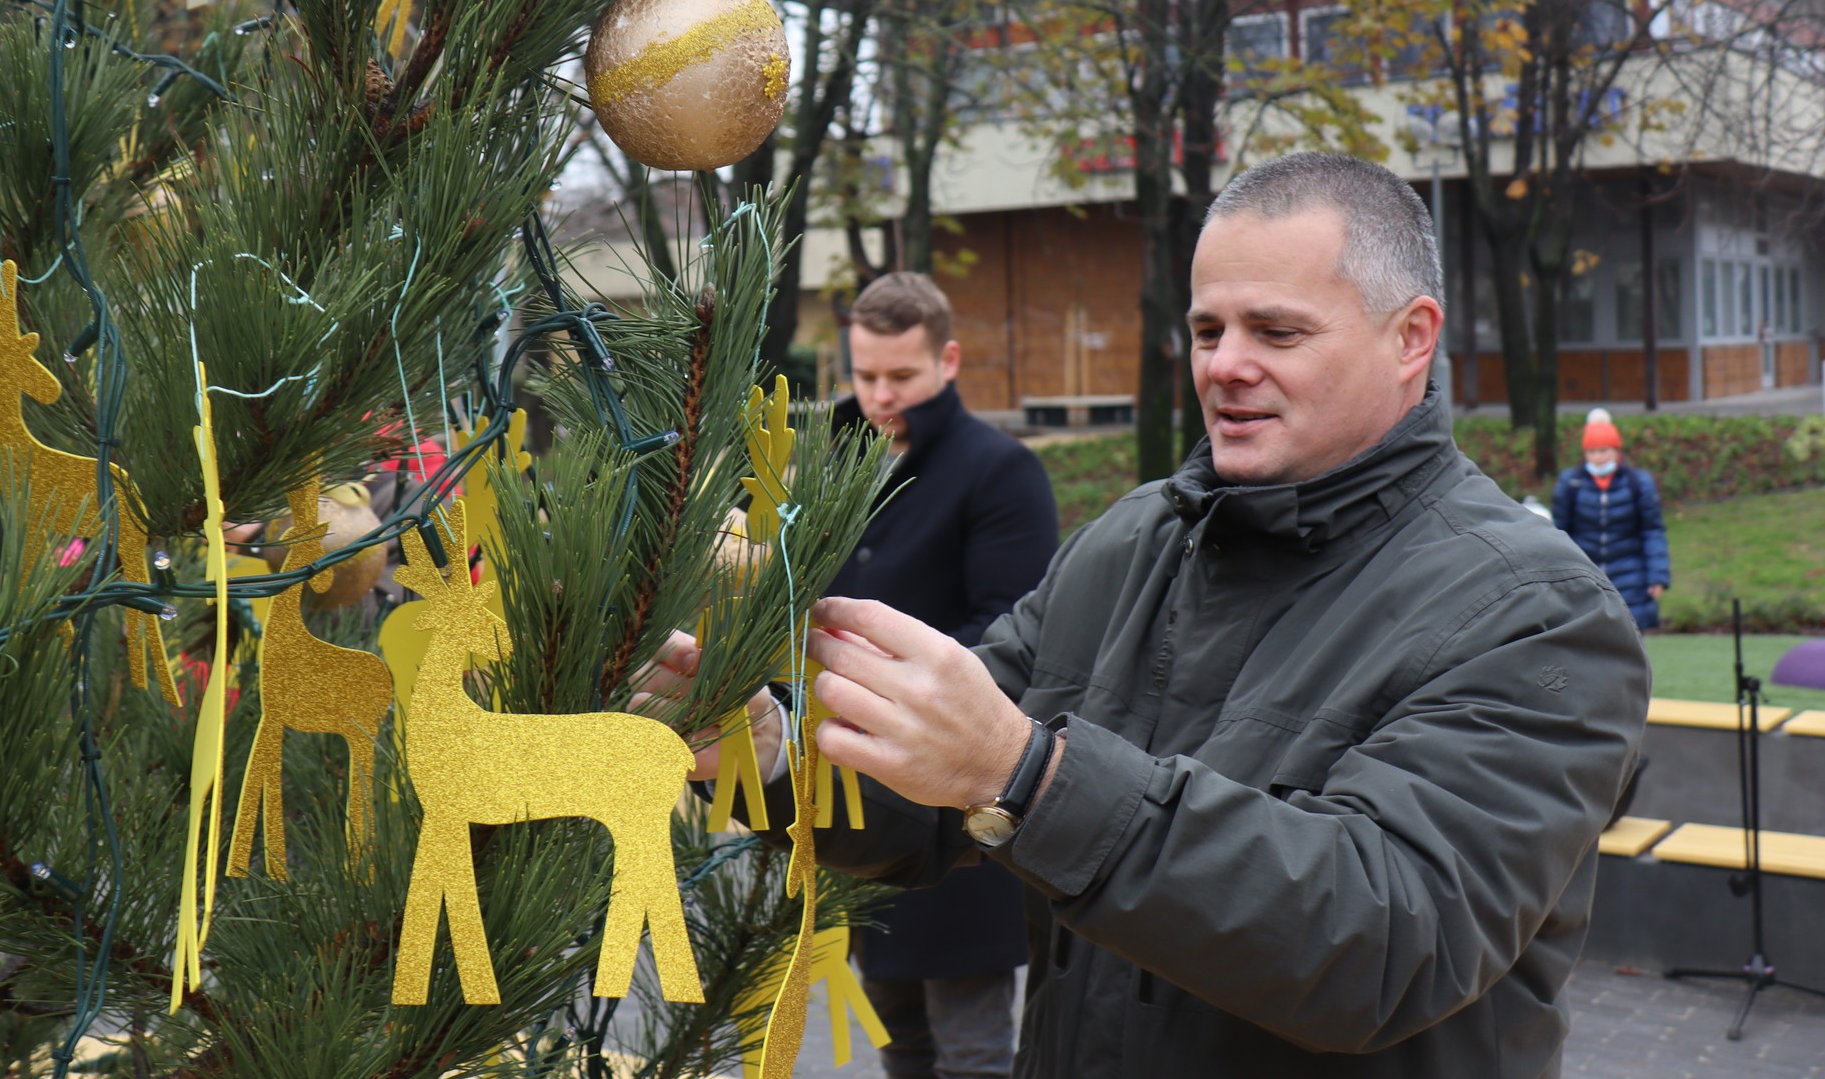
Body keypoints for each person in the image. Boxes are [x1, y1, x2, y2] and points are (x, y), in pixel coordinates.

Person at [644, 151, 1649, 1078]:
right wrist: (766, 746)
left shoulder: (1537, 615)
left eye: (1276, 330)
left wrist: (1030, 777)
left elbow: (1381, 942)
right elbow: (934, 791)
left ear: (1410, 339)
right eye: (1208, 330)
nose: (1222, 364)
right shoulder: (1128, 545)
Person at [826, 272, 1060, 1079]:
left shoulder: (1000, 473)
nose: (882, 395)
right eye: (866, 376)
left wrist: (855, 684)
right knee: (900, 1044)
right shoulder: (831, 451)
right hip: (851, 803)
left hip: (958, 811)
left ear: (948, 359)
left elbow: (1008, 638)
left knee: (972, 1051)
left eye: (902, 377)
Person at [1552, 410, 1670, 632]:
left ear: (1616, 451)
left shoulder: (1639, 483)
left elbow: (1652, 531)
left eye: (1603, 451)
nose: (1597, 458)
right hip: (1585, 579)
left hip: (1631, 579)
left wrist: (1657, 575)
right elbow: (1559, 532)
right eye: (1592, 452)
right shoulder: (1571, 484)